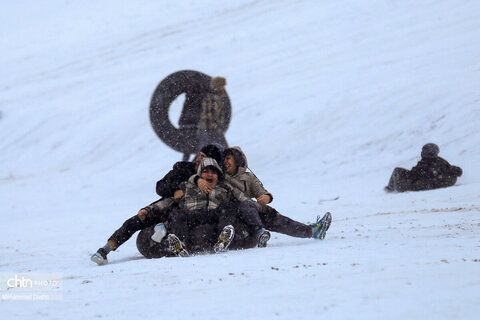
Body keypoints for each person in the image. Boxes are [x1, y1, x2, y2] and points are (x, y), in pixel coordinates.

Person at [90, 144, 223, 265]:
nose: (199, 159)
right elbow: (161, 186)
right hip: (167, 205)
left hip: (182, 213)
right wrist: (176, 189)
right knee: (136, 221)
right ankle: (105, 249)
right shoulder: (184, 168)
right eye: (200, 155)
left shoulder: (212, 177)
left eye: (204, 158)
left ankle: (167, 234)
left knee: (175, 220)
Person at [222, 146, 332, 249]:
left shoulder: (249, 177)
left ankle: (312, 231)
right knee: (245, 205)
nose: (225, 162)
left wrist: (266, 198)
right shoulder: (220, 177)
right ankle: (258, 232)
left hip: (251, 213)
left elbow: (261, 191)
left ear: (237, 160)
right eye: (224, 159)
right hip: (234, 216)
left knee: (277, 220)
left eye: (229, 158)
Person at [165, 157, 270, 256]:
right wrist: (150, 209)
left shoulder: (225, 187)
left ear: (218, 175)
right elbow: (166, 197)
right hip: (192, 215)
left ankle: (223, 238)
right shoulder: (188, 185)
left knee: (229, 207)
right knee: (177, 213)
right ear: (200, 174)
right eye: (206, 172)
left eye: (213, 172)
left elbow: (246, 201)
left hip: (214, 215)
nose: (210, 175)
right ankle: (180, 244)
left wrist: (267, 207)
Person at [179, 76, 229, 161]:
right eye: (222, 85)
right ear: (218, 86)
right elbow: (209, 116)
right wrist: (216, 127)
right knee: (206, 152)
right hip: (208, 131)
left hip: (209, 131)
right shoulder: (212, 98)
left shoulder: (216, 97)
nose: (224, 87)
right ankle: (189, 169)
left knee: (211, 151)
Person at [385, 143, 463, 192]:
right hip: (431, 184)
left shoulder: (424, 164)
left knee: (397, 170)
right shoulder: (440, 161)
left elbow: (414, 175)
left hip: (416, 186)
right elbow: (458, 171)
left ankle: (389, 189)